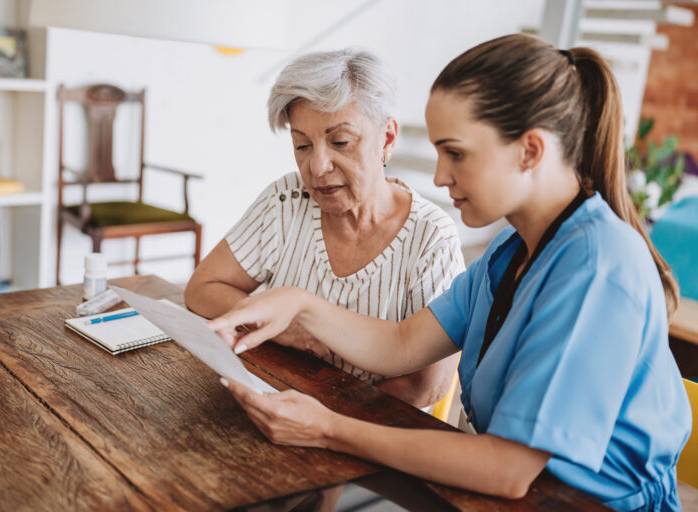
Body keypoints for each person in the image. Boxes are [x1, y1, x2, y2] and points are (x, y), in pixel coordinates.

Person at [208, 34, 692, 511]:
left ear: (530, 151)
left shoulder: (597, 264)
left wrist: (327, 429)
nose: (439, 176)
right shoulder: (511, 249)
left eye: (456, 153)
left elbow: (505, 468)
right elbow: (399, 345)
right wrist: (300, 304)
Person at [185, 49, 465, 408]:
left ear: (388, 139)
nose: (316, 166)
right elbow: (201, 288)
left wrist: (325, 417)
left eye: (341, 142)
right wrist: (282, 327)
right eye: (301, 145)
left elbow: (426, 386)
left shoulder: (430, 238)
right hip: (280, 399)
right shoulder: (286, 199)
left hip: (368, 426)